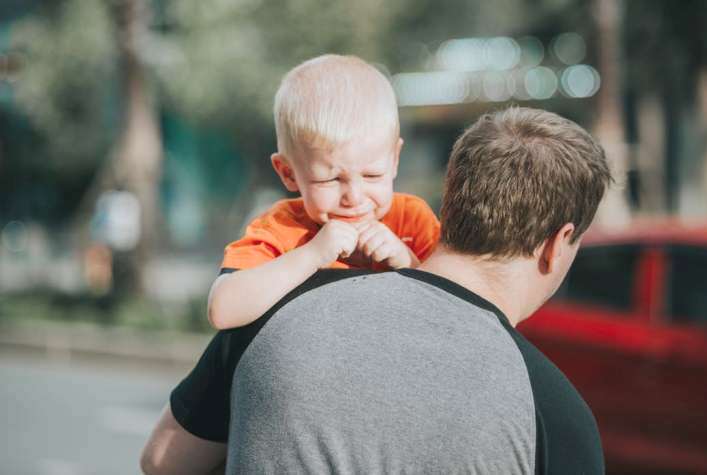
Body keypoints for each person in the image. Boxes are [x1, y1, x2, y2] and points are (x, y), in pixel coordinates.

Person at [141, 106, 612, 474]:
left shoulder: (276, 312)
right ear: (555, 245)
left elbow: (162, 461)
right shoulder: (554, 413)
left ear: (452, 201)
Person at [207, 54, 441, 330]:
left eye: (372, 175)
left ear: (395, 160)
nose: (354, 198)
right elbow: (223, 311)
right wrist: (311, 254)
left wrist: (407, 262)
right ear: (288, 173)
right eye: (329, 179)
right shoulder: (281, 229)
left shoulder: (412, 221)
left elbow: (456, 312)